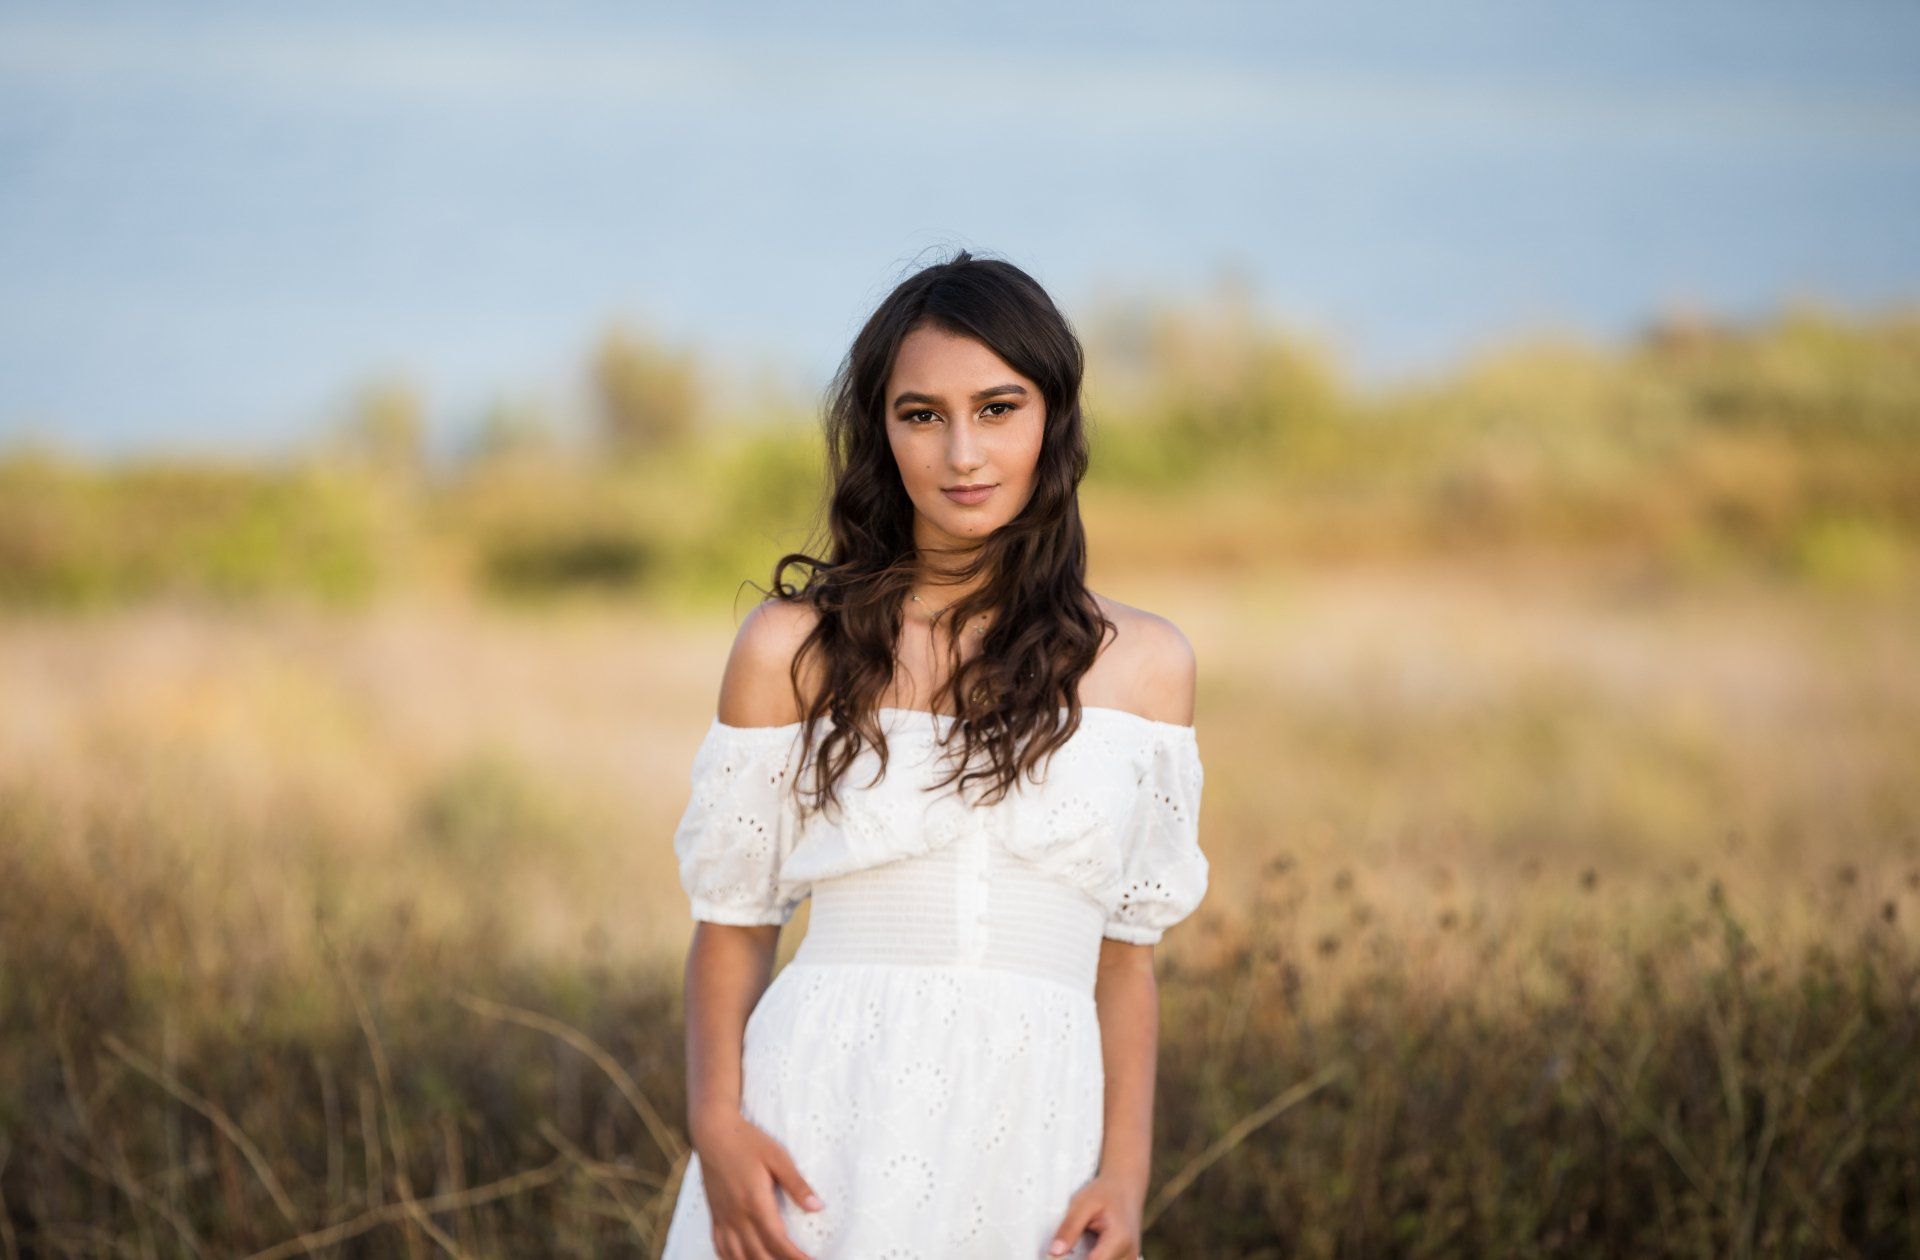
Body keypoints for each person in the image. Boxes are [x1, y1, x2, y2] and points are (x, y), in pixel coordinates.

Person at [661, 250, 1208, 1259]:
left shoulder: (1148, 668)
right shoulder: (791, 650)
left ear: (1054, 418)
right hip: (817, 1123)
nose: (963, 453)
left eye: (998, 408)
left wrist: (1123, 1180)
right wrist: (718, 1126)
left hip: (1033, 1142)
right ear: (882, 430)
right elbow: (733, 923)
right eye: (923, 415)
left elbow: (1127, 964)